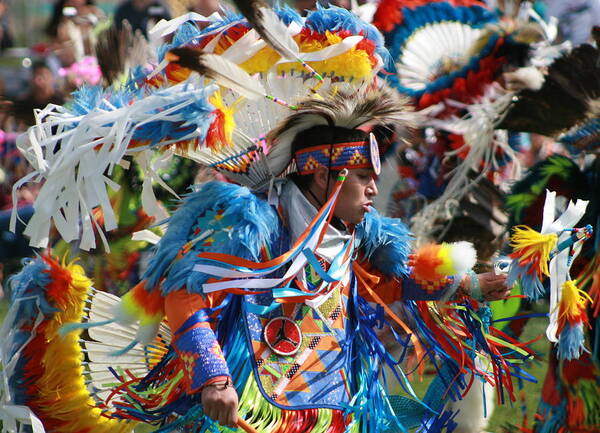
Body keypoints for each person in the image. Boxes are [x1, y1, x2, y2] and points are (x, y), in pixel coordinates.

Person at [2, 6, 520, 433]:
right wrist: (213, 378)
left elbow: (398, 278)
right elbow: (186, 295)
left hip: (331, 408)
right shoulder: (252, 221)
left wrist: (471, 284)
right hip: (246, 407)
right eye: (362, 176)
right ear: (325, 176)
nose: (372, 190)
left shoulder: (358, 236)